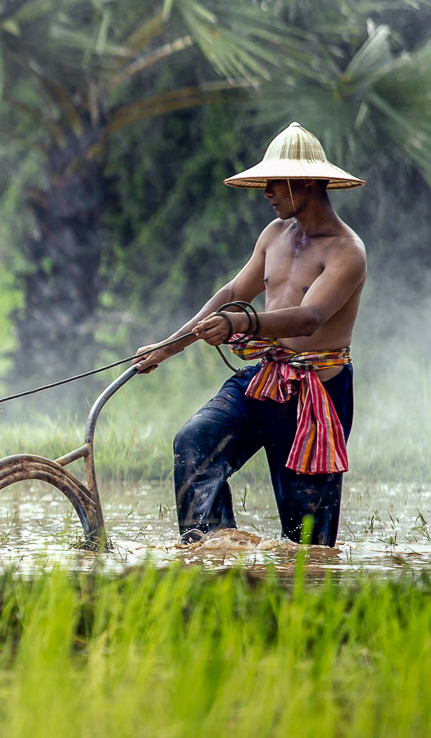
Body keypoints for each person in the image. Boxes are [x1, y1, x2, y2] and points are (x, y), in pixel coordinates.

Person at [132, 122, 367, 546]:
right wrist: (169, 348)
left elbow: (310, 317)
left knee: (306, 539)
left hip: (316, 395)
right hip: (265, 378)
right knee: (195, 443)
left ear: (308, 182)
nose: (266, 193)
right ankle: (213, 552)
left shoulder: (346, 250)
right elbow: (233, 293)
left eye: (275, 182)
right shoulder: (274, 235)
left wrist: (243, 323)